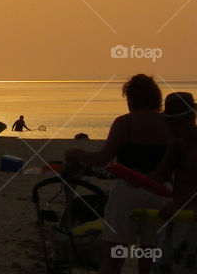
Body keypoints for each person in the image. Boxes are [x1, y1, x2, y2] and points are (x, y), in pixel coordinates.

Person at [66, 74, 169, 274]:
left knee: (113, 258)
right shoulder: (168, 124)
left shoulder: (124, 123)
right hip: (160, 192)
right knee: (150, 257)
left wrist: (76, 152)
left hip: (127, 193)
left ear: (131, 99)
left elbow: (102, 159)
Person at [153, 92, 197, 274]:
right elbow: (161, 173)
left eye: (177, 123)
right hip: (177, 212)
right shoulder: (176, 142)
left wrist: (178, 203)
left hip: (190, 214)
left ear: (190, 118)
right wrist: (133, 178)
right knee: (163, 265)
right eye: (170, 124)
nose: (172, 129)